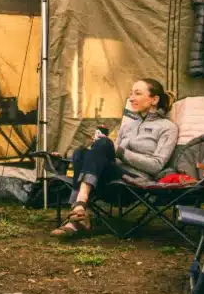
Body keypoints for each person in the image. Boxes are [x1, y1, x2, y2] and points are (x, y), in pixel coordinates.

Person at [51, 78, 178, 237]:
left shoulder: (168, 128)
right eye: (131, 94)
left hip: (134, 183)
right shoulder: (128, 125)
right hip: (109, 179)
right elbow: (110, 154)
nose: (131, 98)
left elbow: (157, 165)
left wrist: (120, 151)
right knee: (81, 152)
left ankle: (78, 209)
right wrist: (97, 148)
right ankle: (80, 211)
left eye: (137, 93)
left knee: (103, 144)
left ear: (154, 99)